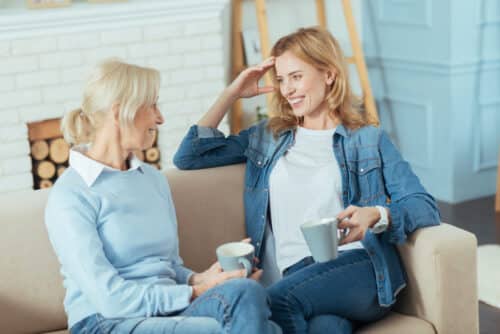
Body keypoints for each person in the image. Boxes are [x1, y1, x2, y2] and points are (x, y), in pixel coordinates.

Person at [173, 27, 441, 334]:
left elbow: (423, 206)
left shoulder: (367, 140)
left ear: (328, 74)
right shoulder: (268, 137)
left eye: (296, 77)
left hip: (357, 266)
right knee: (327, 328)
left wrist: (377, 215)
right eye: (282, 79)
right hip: (294, 274)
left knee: (266, 302)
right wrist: (231, 93)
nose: (287, 89)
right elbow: (189, 156)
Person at [44, 59, 282, 334]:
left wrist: (200, 278)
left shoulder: (152, 180)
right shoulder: (71, 194)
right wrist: (196, 292)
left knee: (245, 291)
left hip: (166, 311)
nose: (160, 118)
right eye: (153, 105)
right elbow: (109, 299)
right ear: (121, 111)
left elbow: (168, 267)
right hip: (104, 321)